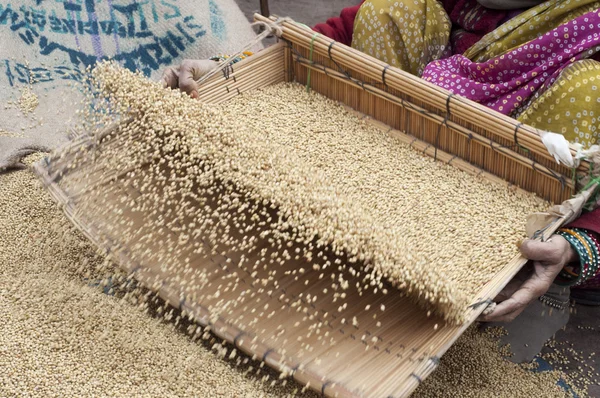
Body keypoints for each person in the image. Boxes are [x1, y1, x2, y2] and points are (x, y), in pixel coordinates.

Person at [161, 0, 600, 361]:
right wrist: (235, 66)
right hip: (416, 147)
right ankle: (354, 223)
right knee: (390, 10)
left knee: (589, 90)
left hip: (521, 192)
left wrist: (579, 246)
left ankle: (516, 276)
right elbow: (331, 41)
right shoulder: (463, 6)